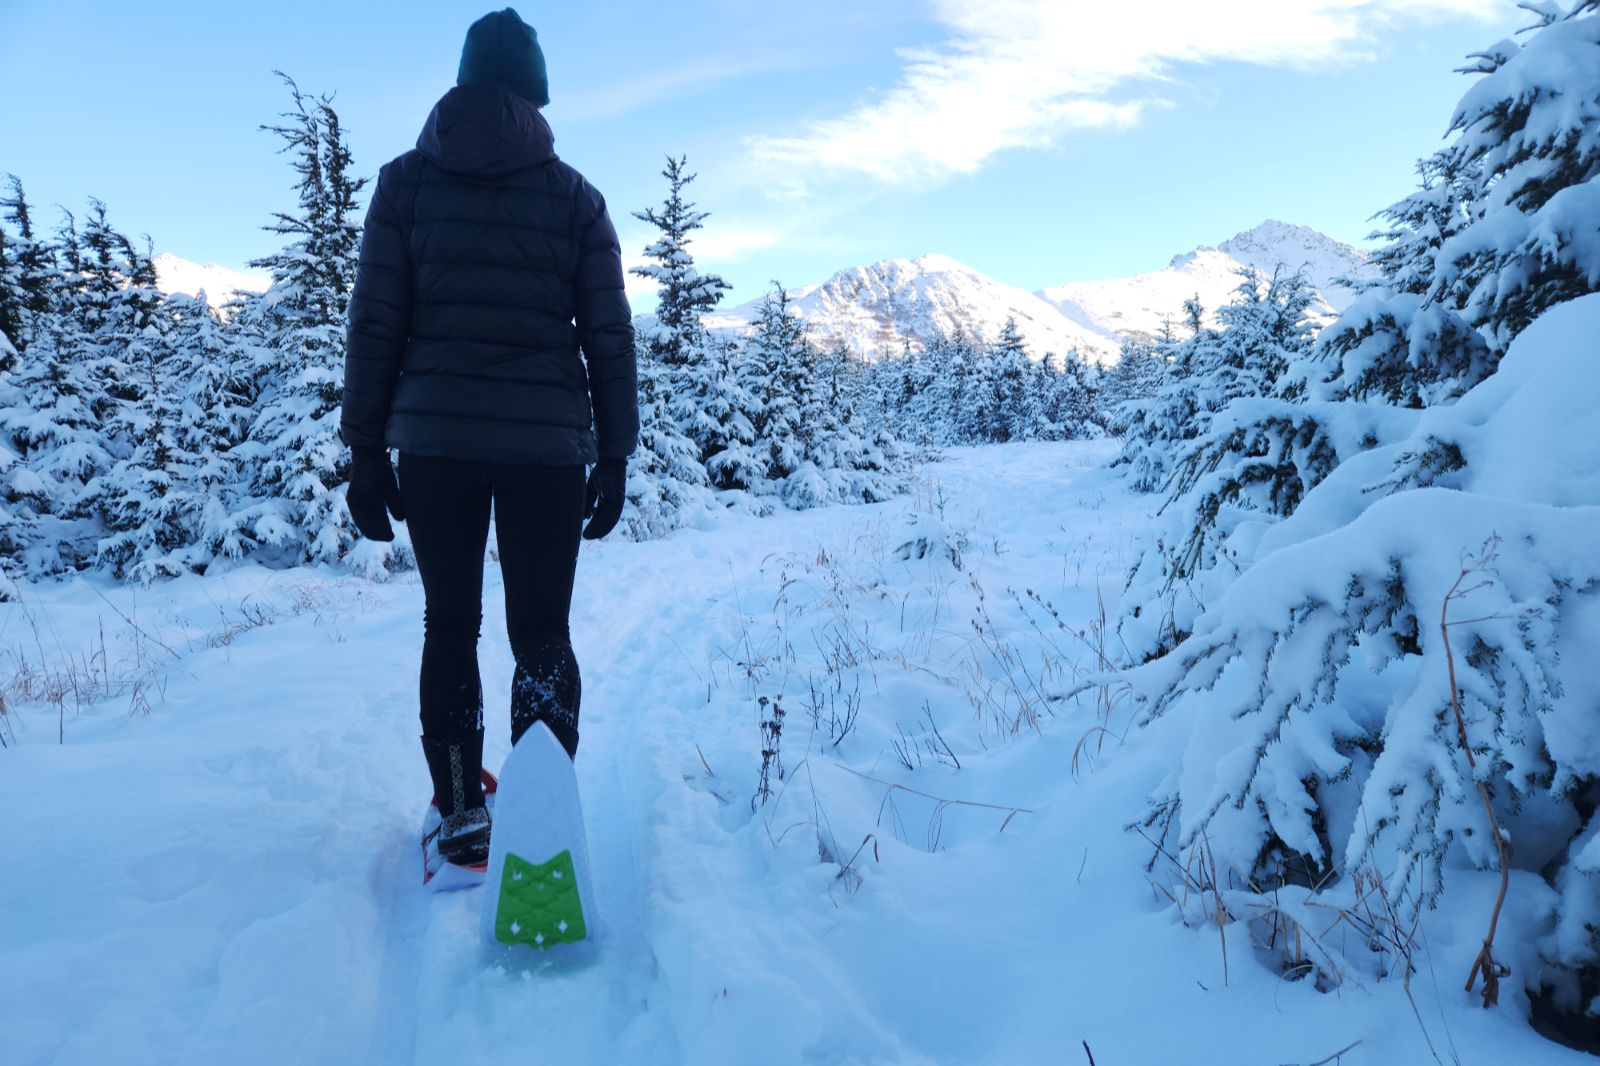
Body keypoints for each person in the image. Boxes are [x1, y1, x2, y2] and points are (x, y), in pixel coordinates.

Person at [339, 8, 638, 873]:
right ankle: (541, 813)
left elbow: (375, 325)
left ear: (464, 83)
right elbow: (609, 336)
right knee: (541, 628)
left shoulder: (404, 186)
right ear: (536, 97)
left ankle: (464, 810)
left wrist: (365, 448)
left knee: (450, 624)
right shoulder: (576, 199)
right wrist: (613, 453)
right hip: (546, 448)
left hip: (433, 446)